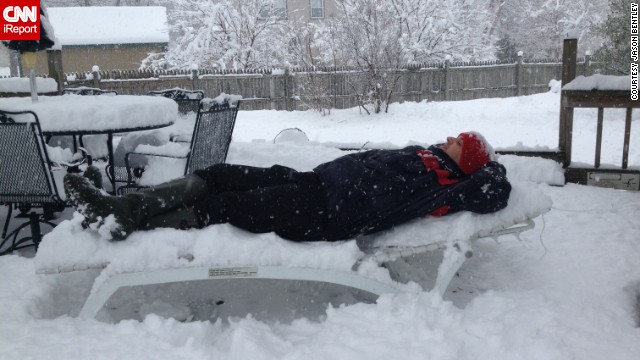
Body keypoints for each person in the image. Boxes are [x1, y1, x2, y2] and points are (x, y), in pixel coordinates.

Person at [63, 131, 511, 242]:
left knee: (226, 205)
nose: (449, 139)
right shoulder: (430, 157)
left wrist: (486, 166)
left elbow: (494, 190)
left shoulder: (444, 190)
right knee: (219, 173)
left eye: (459, 142)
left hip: (326, 214)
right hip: (315, 183)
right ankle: (127, 207)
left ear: (465, 162)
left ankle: (127, 223)